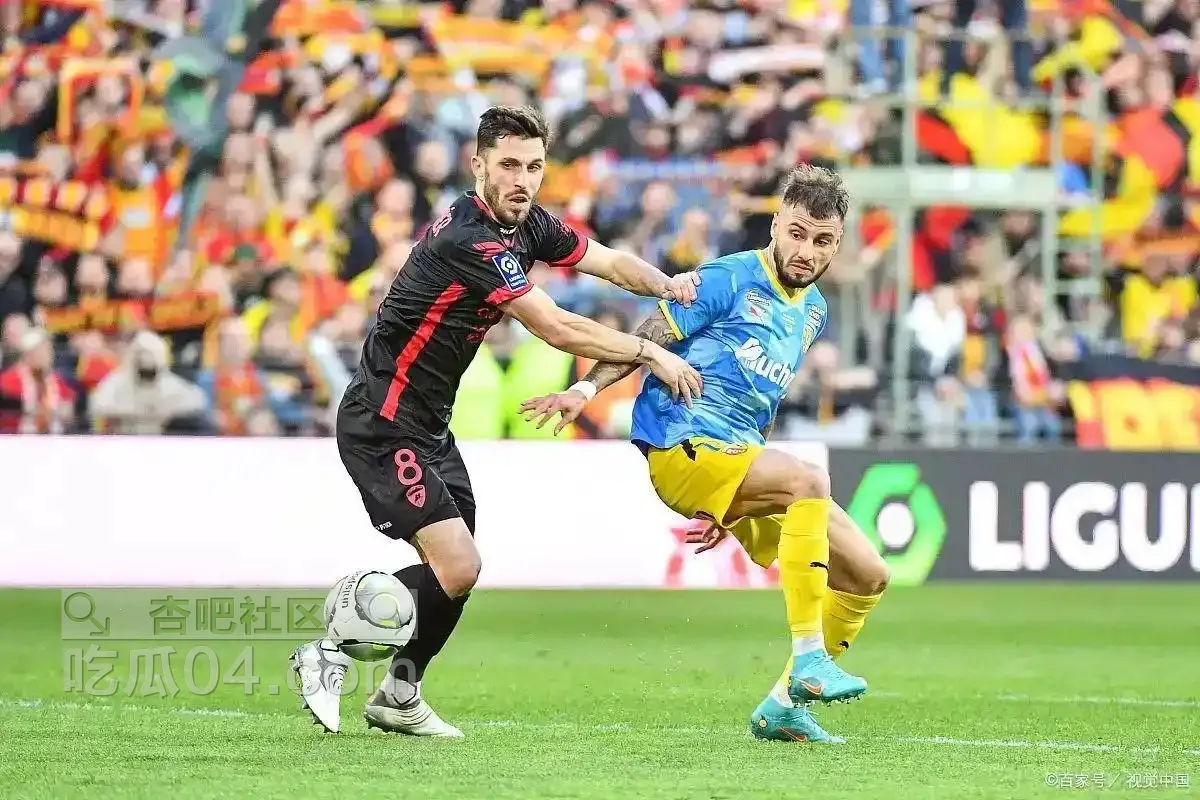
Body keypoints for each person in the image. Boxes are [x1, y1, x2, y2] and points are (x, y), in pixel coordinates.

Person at [291, 106, 705, 737]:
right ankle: (328, 651)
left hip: (430, 428)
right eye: (509, 165)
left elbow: (608, 261)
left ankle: (399, 695)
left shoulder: (526, 222)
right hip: (383, 420)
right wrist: (650, 351)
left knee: (458, 573)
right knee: (457, 565)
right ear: (477, 165)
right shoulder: (470, 239)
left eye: (534, 166)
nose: (523, 179)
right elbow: (556, 327)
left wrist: (667, 287)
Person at [520, 164, 890, 743]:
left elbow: (761, 399)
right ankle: (809, 658)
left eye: (822, 241)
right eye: (797, 233)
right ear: (776, 224)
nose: (806, 251)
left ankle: (782, 707)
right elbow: (651, 335)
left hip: (735, 459)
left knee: (868, 574)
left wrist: (735, 500)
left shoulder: (813, 311)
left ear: (837, 243)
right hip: (682, 443)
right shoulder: (728, 277)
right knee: (810, 480)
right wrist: (585, 390)